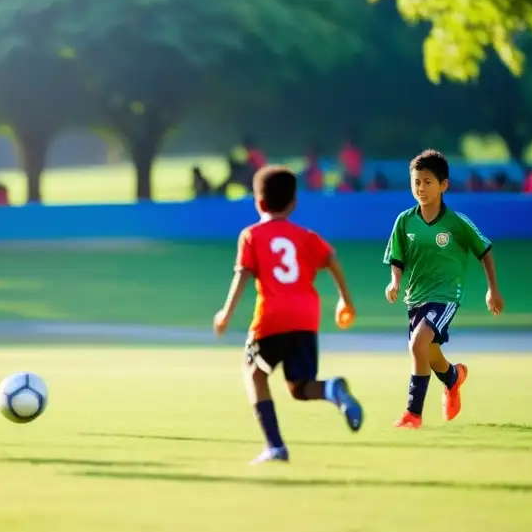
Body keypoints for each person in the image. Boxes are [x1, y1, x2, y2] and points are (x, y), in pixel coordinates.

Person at [213, 166, 363, 464]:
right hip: (306, 317)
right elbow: (331, 260)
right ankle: (332, 389)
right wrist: (345, 300)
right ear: (293, 204)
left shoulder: (252, 235)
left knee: (254, 373)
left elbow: (243, 275)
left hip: (272, 317)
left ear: (259, 203)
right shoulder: (306, 236)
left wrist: (226, 313)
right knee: (300, 387)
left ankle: (275, 447)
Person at [385, 149, 504, 429]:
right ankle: (453, 377)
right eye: (416, 182)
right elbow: (397, 257)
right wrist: (395, 281)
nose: (421, 188)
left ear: (443, 185)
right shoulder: (405, 221)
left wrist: (492, 290)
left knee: (418, 344)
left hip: (446, 296)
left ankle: (413, 414)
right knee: (427, 351)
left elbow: (485, 251)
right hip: (415, 297)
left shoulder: (457, 223)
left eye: (428, 182)